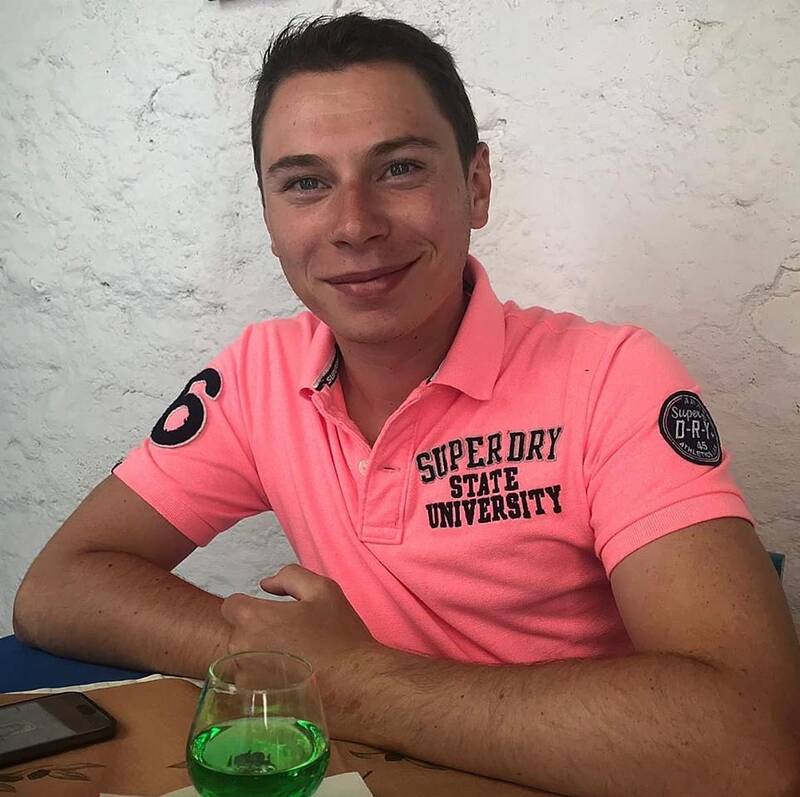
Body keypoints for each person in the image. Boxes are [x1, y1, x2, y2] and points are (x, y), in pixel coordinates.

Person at [12, 13, 800, 796]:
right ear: (269, 216)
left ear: (476, 185)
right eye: (306, 183)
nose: (354, 224)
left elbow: (752, 739)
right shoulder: (258, 375)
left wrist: (353, 679)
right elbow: (59, 585)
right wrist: (272, 653)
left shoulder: (613, 378)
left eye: (399, 169)